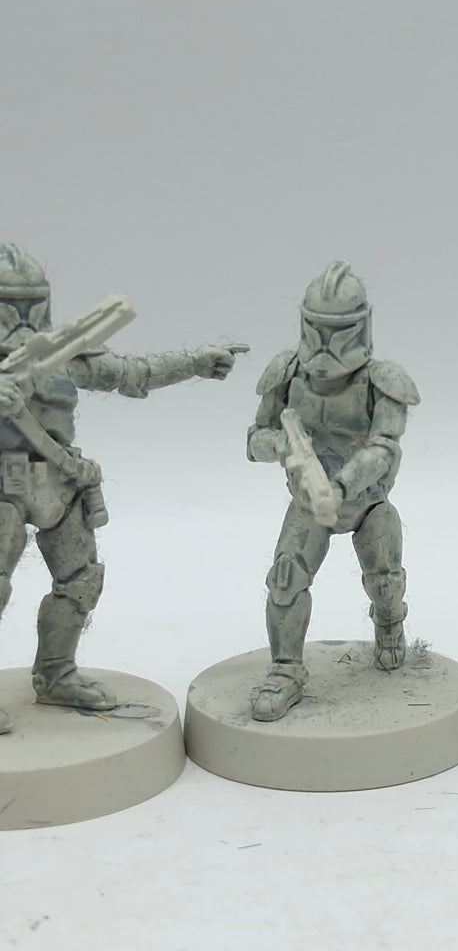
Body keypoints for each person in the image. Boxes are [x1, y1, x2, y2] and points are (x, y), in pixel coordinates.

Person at [0, 242, 244, 734]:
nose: (24, 320)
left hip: (58, 478)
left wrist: (195, 361)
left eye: (33, 306)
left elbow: (132, 374)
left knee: (80, 581)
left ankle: (55, 673)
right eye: (11, 307)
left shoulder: (61, 355)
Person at [246, 261, 419, 722]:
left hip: (367, 503)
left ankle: (389, 625)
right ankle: (285, 669)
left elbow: (384, 449)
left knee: (385, 583)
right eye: (318, 329)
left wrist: (342, 484)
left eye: (337, 331)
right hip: (307, 506)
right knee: (285, 579)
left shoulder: (382, 382)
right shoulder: (286, 374)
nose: (325, 343)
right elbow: (255, 439)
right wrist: (282, 445)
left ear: (361, 327)